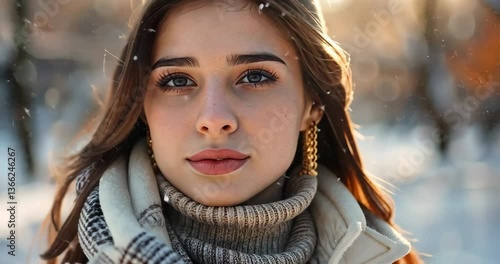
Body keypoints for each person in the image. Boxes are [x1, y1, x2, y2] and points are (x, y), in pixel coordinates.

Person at [41, 0, 421, 263]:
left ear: (313, 105)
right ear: (142, 108)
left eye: (255, 76)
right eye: (176, 81)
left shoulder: (382, 256)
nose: (214, 118)